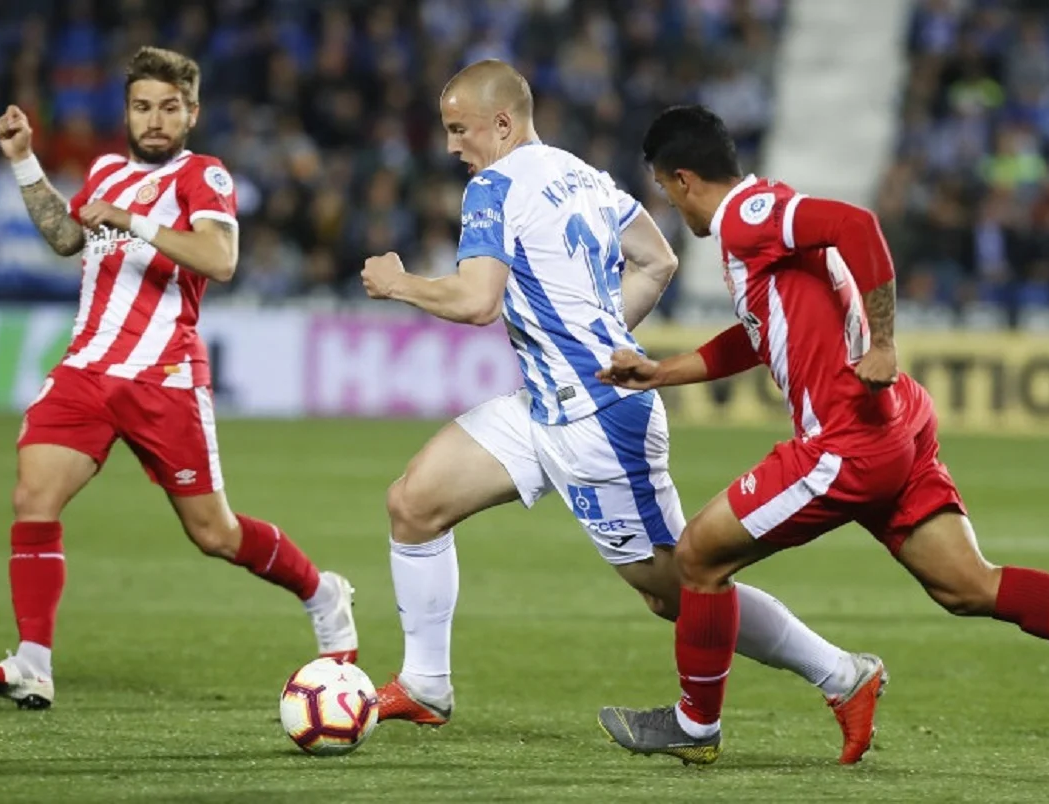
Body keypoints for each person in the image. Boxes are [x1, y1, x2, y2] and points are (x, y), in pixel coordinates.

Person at [359, 60, 885, 764]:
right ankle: (426, 684)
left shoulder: (493, 186)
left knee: (680, 589)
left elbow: (477, 300)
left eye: (460, 129)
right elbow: (657, 260)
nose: (453, 145)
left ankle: (842, 674)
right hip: (545, 405)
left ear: (503, 123)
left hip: (597, 421)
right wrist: (601, 337)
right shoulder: (583, 175)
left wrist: (399, 284)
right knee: (414, 503)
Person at [596, 104, 1049, 765]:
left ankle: (695, 725)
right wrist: (662, 371)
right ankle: (843, 685)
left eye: (665, 189)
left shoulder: (746, 217)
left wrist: (884, 343)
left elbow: (858, 225)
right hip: (896, 423)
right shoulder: (760, 221)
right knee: (967, 585)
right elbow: (758, 335)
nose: (672, 205)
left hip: (848, 441)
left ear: (682, 179)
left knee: (698, 557)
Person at [0, 47, 357, 710]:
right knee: (33, 497)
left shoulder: (202, 175)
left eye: (169, 108)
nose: (154, 120)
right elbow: (66, 238)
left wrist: (134, 221)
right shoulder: (106, 172)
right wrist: (25, 160)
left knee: (215, 534)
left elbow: (221, 258)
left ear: (191, 113)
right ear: (126, 112)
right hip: (86, 368)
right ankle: (32, 662)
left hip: (163, 376)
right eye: (142, 107)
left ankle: (322, 593)